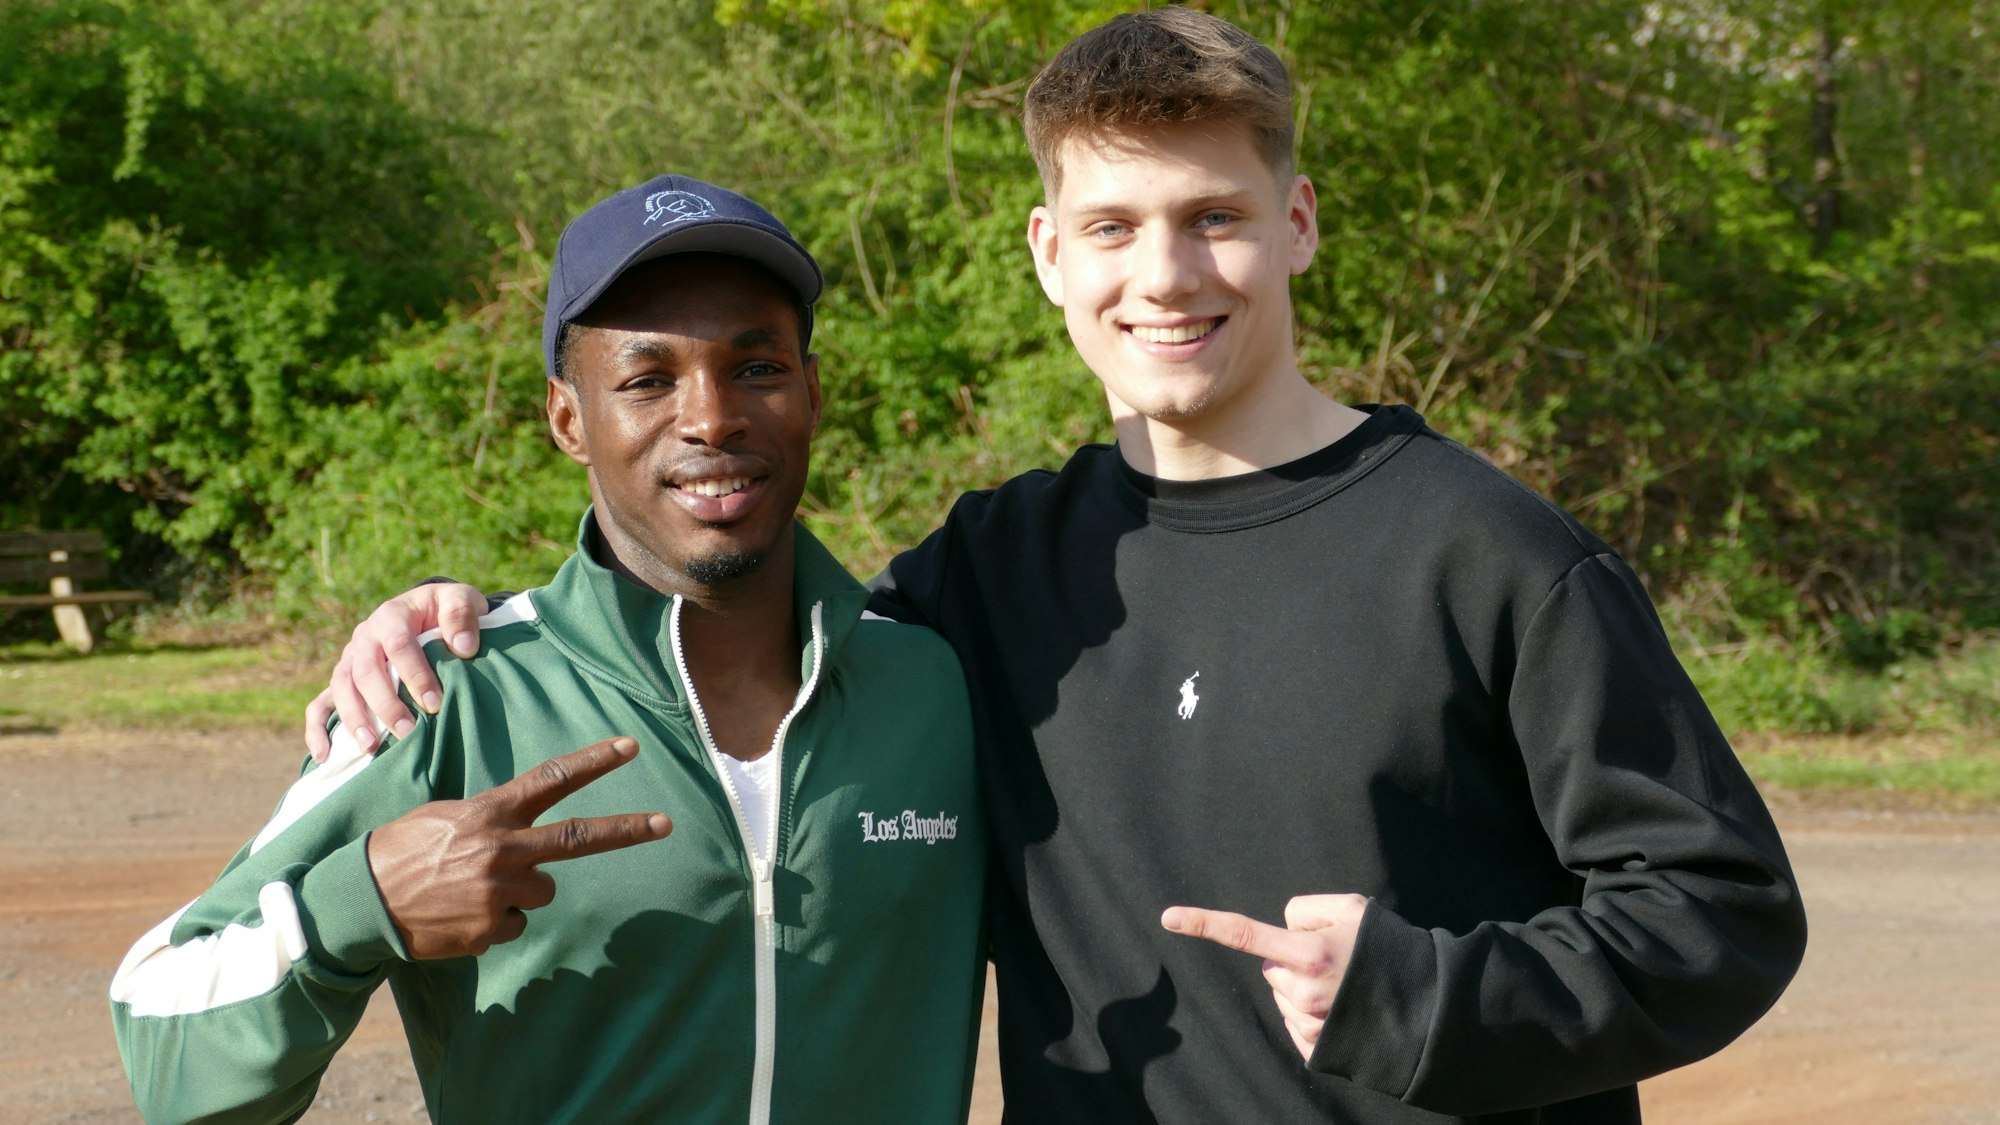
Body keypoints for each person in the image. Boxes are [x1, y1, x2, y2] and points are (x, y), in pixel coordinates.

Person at [307, 10, 1807, 1123]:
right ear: (1048, 254)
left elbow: (1722, 911)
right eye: (1113, 227)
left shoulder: (1486, 554)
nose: (1164, 275)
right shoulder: (992, 570)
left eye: (1213, 218)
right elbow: (757, 643)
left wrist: (1430, 996)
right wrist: (466, 617)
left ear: (1295, 224)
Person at [110, 176, 987, 1125]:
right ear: (569, 420)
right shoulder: (443, 694)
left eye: (757, 367)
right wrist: (354, 908)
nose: (712, 416)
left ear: (812, 393)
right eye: (648, 380)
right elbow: (163, 1042)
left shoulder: (936, 684)